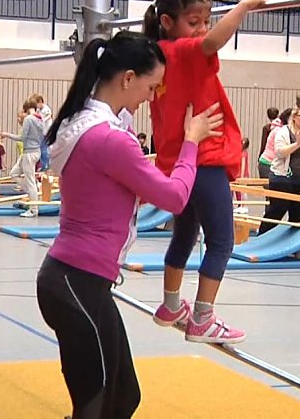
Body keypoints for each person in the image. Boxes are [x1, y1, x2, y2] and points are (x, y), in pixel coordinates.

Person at [40, 31, 221, 419]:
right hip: (76, 282)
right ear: (127, 78)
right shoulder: (109, 139)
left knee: (124, 397)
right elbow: (174, 197)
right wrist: (191, 143)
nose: (152, 97)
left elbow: (115, 190)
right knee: (96, 402)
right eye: (151, 86)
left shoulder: (83, 125)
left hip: (78, 282)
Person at [142, 0, 275, 344]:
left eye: (206, 20)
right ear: (168, 22)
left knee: (185, 233)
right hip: (205, 157)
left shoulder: (157, 54)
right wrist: (246, 5)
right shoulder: (184, 50)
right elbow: (214, 41)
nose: (202, 29)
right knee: (221, 241)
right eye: (194, 21)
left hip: (179, 162)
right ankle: (203, 316)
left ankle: (171, 304)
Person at [260, 108, 300, 234]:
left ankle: (291, 247)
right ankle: (260, 239)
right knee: (277, 211)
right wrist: (297, 144)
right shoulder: (284, 132)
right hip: (281, 177)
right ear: (294, 117)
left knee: (296, 215)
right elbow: (279, 152)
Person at [4, 99, 45, 217]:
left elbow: (22, 138)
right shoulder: (40, 118)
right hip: (35, 151)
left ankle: (33, 209)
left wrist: (7, 135)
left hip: (29, 153)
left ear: (26, 109)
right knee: (14, 173)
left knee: (30, 181)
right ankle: (34, 192)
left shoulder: (29, 119)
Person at [256, 109, 287, 179]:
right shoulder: (280, 129)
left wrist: (259, 157)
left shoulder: (267, 127)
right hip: (272, 159)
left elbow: (264, 144)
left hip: (268, 157)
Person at [33, 94, 52, 171]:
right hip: (41, 132)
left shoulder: (46, 109)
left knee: (44, 149)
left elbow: (49, 115)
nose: (36, 106)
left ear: (40, 102)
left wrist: (43, 120)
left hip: (46, 132)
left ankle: (46, 165)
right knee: (40, 149)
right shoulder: (38, 110)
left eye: (37, 104)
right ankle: (43, 164)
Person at [233, 137, 250, 214]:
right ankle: (241, 205)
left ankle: (242, 205)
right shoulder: (243, 152)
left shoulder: (243, 153)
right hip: (239, 175)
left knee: (241, 191)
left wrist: (242, 176)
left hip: (241, 175)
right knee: (238, 191)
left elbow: (243, 165)